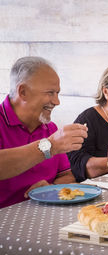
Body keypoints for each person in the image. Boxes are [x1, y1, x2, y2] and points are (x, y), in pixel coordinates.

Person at [0, 56, 88, 209]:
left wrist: (50, 187)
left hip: (44, 217)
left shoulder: (51, 129)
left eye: (57, 93)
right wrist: (50, 146)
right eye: (50, 93)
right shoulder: (52, 139)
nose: (57, 101)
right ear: (23, 92)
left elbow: (67, 177)